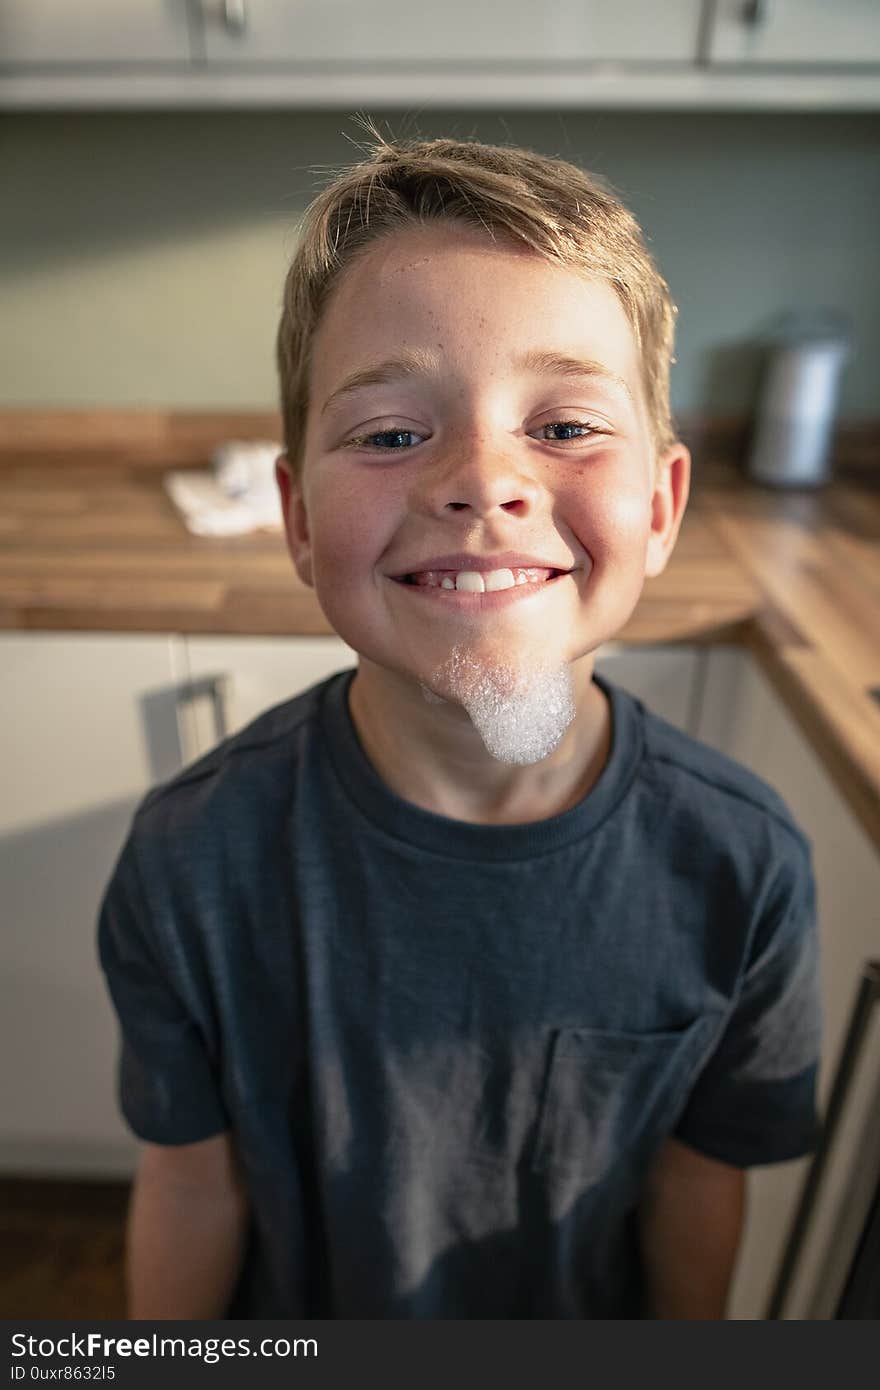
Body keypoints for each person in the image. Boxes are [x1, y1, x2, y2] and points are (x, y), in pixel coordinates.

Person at [97, 132, 823, 1320]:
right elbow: (190, 1180)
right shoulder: (194, 861)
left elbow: (698, 1189)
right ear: (295, 518)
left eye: (566, 426)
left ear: (659, 507)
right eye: (390, 433)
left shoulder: (742, 871)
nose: (484, 480)